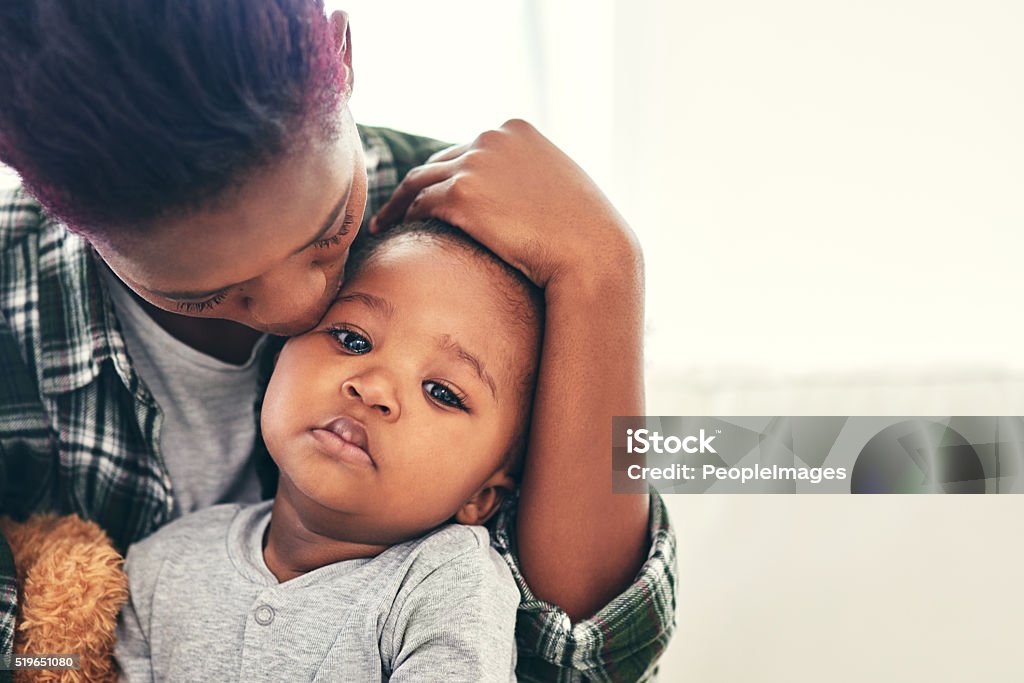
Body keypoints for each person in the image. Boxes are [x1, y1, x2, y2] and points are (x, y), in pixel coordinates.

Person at [0, 2, 676, 680]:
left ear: (343, 55)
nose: (303, 309)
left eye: (331, 231)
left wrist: (605, 268)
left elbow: (584, 661)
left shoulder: (474, 248)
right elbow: (44, 656)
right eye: (209, 292)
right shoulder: (18, 304)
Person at [115, 221, 539, 681]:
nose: (373, 387)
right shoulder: (162, 564)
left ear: (481, 497)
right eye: (353, 340)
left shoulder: (448, 582)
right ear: (278, 357)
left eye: (440, 391)